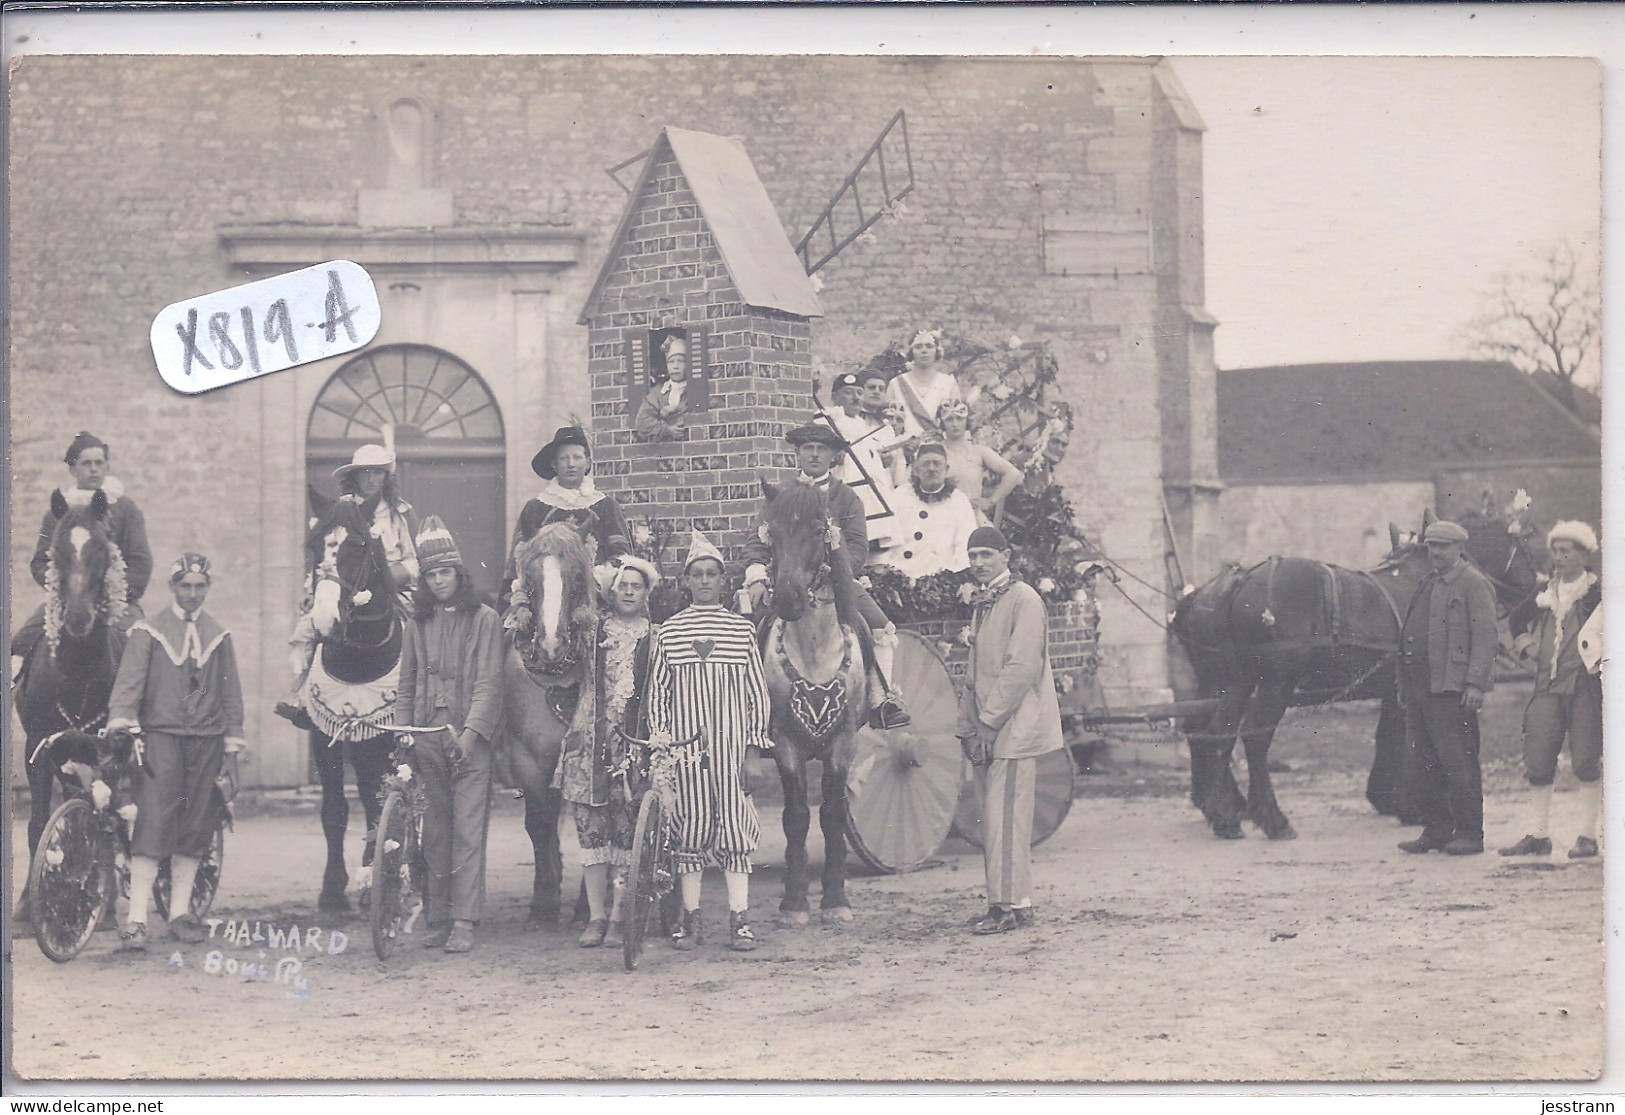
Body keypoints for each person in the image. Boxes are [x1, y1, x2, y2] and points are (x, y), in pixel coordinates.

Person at [105, 554, 245, 950]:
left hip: (207, 742)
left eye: (200, 586)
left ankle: (181, 913)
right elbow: (130, 681)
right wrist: (121, 719)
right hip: (161, 739)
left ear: (207, 588)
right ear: (172, 587)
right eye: (185, 585)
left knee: (195, 825)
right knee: (151, 823)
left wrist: (233, 745)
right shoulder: (148, 632)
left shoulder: (219, 635)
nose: (192, 593)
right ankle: (136, 920)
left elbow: (231, 694)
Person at [645, 531, 773, 953]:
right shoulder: (671, 632)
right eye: (696, 575)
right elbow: (658, 695)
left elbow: (757, 695)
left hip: (732, 750)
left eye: (711, 575)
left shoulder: (740, 631)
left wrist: (752, 752)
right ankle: (692, 918)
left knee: (735, 829)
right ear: (686, 582)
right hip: (686, 754)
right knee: (691, 830)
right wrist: (664, 749)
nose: (704, 581)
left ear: (723, 581)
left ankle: (740, 920)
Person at [741, 423, 910, 730]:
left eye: (822, 449)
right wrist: (756, 574)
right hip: (785, 581)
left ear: (833, 456)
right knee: (750, 629)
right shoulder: (781, 495)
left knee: (881, 627)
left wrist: (839, 570)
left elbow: (858, 545)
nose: (815, 455)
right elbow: (758, 538)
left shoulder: (847, 498)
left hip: (835, 581)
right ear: (798, 453)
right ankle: (746, 700)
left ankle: (879, 699)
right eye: (808, 448)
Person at [393, 517, 505, 954]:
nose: (439, 581)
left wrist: (472, 734)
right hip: (425, 736)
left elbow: (489, 683)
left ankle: (464, 919)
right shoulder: (417, 623)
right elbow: (406, 683)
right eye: (431, 574)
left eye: (446, 572)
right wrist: (405, 733)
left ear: (460, 574)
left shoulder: (485, 619)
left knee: (468, 830)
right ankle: (437, 915)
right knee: (434, 831)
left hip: (468, 741)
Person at [956, 525, 1064, 934]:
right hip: (991, 726)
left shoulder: (1024, 600)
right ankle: (1014, 903)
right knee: (999, 819)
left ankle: (1005, 908)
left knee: (1004, 820)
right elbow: (976, 670)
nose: (979, 563)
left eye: (987, 555)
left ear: (1006, 557)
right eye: (973, 556)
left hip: (1012, 728)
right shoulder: (985, 602)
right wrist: (970, 723)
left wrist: (987, 722)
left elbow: (1021, 669)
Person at [278, 442, 418, 720]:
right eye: (364, 472)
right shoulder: (340, 510)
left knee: (420, 628)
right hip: (345, 584)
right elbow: (326, 555)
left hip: (391, 589)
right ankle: (301, 692)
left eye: (377, 473)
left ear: (386, 477)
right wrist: (310, 589)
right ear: (353, 476)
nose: (370, 479)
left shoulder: (399, 513)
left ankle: (421, 698)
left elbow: (415, 561)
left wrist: (389, 576)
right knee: (312, 625)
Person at [565, 555, 660, 948]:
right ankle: (596, 916)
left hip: (635, 741)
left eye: (637, 586)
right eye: (623, 585)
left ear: (647, 594)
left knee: (625, 832)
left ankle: (620, 914)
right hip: (591, 739)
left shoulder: (656, 637)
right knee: (592, 832)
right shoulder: (592, 633)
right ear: (611, 590)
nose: (629, 591)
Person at [1500, 521, 1603, 859]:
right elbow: (1516, 620)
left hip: (1586, 687)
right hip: (1547, 686)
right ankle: (1539, 834)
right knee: (1539, 757)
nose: (1558, 557)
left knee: (1586, 759)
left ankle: (1588, 836)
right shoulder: (1544, 592)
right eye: (1555, 550)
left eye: (1566, 551)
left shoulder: (1599, 594)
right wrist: (1527, 648)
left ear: (1584, 555)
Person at [1396, 519, 1499, 856]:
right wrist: (1404, 684)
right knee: (1423, 761)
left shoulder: (1473, 583)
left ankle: (1470, 833)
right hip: (1420, 689)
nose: (1435, 552)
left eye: (1442, 546)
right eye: (1431, 546)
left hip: (1452, 689)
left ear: (1459, 548)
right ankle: (1437, 829)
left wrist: (1476, 683)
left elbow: (1485, 637)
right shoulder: (1428, 583)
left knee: (1459, 762)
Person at [12, 431, 153, 673]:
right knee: (22, 642)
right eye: (86, 464)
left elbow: (140, 562)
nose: (94, 470)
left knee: (144, 647)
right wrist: (64, 587)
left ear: (107, 466)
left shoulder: (125, 508)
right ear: (72, 469)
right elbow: (39, 562)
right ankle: (13, 698)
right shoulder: (58, 512)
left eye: (99, 463)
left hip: (118, 602)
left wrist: (116, 592)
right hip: (68, 599)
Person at [503, 425, 632, 622]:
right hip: (543, 601)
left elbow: (622, 557)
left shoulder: (605, 506)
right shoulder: (536, 508)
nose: (571, 464)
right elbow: (518, 559)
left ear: (588, 463)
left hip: (597, 601)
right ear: (554, 464)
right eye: (563, 459)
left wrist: (594, 581)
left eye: (577, 457)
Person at [820, 371, 901, 551]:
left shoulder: (863, 424)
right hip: (844, 495)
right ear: (835, 397)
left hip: (871, 498)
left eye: (859, 392)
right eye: (848, 392)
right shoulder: (827, 420)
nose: (856, 398)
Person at [882, 441, 981, 580]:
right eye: (925, 464)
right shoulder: (899, 495)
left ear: (946, 469)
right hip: (900, 575)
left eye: (937, 463)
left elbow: (965, 544)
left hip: (939, 579)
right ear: (916, 470)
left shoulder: (959, 500)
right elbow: (886, 537)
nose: (931, 468)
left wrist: (952, 577)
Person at [936, 398, 1024, 522]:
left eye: (959, 418)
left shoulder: (978, 451)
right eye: (949, 419)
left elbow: (1013, 474)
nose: (955, 424)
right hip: (940, 517)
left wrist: (989, 502)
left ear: (966, 421)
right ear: (942, 423)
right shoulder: (935, 451)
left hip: (970, 517)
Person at [886, 329, 964, 441]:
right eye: (918, 347)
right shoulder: (896, 383)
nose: (924, 350)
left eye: (929, 346)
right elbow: (887, 424)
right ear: (911, 352)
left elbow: (957, 421)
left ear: (937, 351)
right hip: (904, 448)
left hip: (938, 450)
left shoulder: (948, 383)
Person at [636, 334, 694, 442]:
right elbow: (642, 421)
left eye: (680, 361)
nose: (675, 366)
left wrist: (675, 410)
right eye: (671, 361)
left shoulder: (694, 389)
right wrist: (667, 430)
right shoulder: (657, 392)